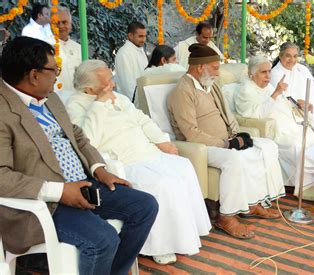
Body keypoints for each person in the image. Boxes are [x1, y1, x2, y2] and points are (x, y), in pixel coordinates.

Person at [0, 37, 158, 275]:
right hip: (43, 202)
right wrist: (60, 191)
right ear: (34, 75)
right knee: (103, 240)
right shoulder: (3, 111)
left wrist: (99, 169)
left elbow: (76, 134)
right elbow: (2, 177)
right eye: (55, 70)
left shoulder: (48, 96)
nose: (57, 76)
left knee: (145, 206)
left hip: (84, 184)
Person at [66, 60, 212, 265]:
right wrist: (99, 104)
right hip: (123, 160)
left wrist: (162, 141)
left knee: (184, 166)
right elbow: (87, 140)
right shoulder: (75, 105)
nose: (113, 85)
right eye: (108, 81)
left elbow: (142, 120)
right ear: (89, 88)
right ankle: (160, 245)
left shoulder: (119, 98)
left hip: (145, 150)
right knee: (164, 183)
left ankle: (185, 232)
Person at [167, 44, 285, 239]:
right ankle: (225, 217)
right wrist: (226, 144)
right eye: (214, 67)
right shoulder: (183, 91)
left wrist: (237, 135)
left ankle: (252, 204)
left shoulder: (210, 85)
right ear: (199, 68)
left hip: (225, 141)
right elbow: (191, 133)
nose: (218, 72)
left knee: (267, 146)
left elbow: (227, 114)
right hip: (201, 148)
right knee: (234, 160)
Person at [237, 56, 314, 193]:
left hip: (290, 123)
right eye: (263, 72)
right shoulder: (246, 91)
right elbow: (256, 115)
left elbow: (284, 103)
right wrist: (276, 92)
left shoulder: (267, 87)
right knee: (298, 145)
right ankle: (308, 182)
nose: (268, 76)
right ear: (251, 75)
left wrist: (299, 105)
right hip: (277, 130)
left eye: (269, 71)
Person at [114, 21, 148, 101]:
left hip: (141, 98)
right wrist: (135, 103)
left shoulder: (139, 50)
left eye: (145, 36)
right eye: (140, 36)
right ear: (130, 36)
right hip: (131, 101)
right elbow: (127, 83)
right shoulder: (124, 53)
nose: (143, 40)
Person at [55, 5, 82, 92]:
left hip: (77, 98)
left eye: (64, 22)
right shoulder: (44, 46)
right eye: (57, 23)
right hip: (55, 99)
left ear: (70, 24)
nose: (61, 26)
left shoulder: (78, 48)